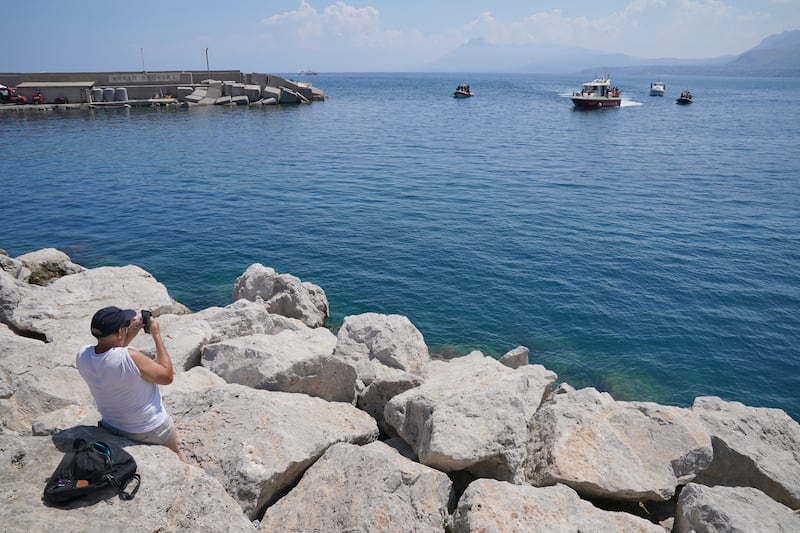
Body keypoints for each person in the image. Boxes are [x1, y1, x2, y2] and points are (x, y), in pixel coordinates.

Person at [76, 306, 185, 461]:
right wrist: (156, 335)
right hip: (150, 428)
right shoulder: (130, 356)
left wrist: (128, 335)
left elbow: (110, 358)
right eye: (126, 324)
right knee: (177, 456)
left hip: (112, 425)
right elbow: (167, 377)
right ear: (120, 332)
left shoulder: (83, 354)